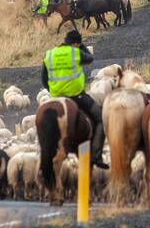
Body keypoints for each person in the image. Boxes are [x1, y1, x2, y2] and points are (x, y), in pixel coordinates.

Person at [41, 30, 106, 169]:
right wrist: (81, 46)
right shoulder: (75, 52)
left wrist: (54, 91)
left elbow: (44, 80)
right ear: (76, 43)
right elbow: (89, 58)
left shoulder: (49, 54)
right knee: (100, 119)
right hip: (77, 96)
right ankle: (95, 154)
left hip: (55, 97)